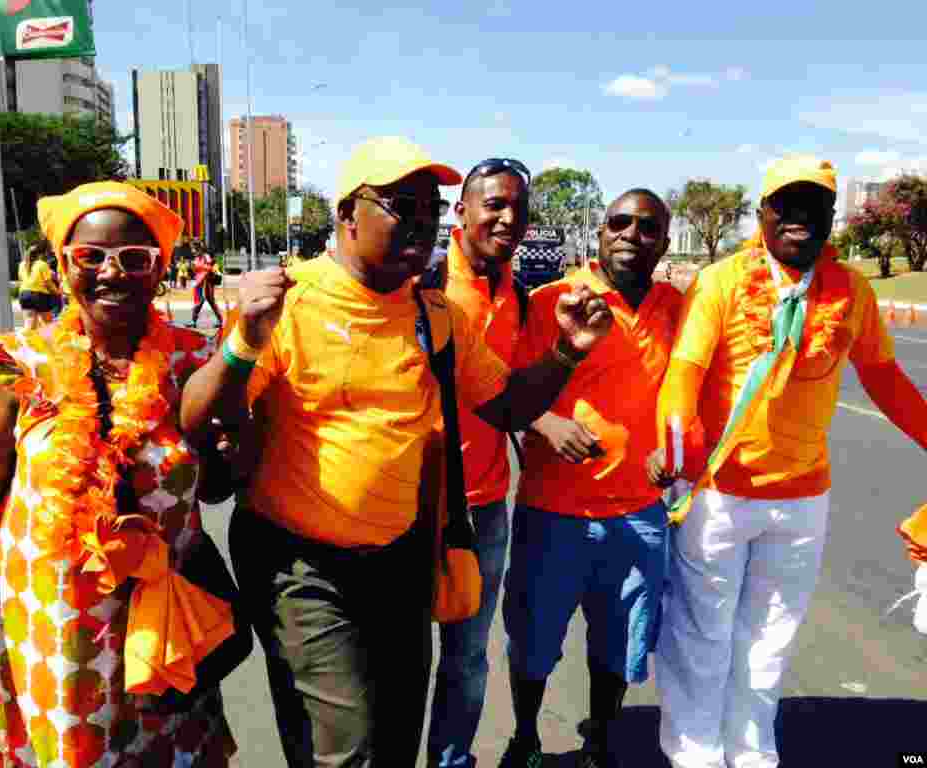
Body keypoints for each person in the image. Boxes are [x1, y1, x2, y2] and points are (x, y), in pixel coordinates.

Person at [180, 135, 615, 768]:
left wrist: (568, 350)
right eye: (399, 205)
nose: (420, 221)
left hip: (402, 563)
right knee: (345, 747)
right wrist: (243, 341)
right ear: (347, 216)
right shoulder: (291, 305)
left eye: (428, 206)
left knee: (394, 739)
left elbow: (509, 407)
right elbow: (198, 416)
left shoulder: (434, 315)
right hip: (302, 569)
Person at [0, 181, 238, 767]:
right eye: (90, 257)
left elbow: (216, 487)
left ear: (159, 269)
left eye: (134, 259)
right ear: (63, 266)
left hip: (162, 646)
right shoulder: (17, 367)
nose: (111, 273)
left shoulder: (194, 362)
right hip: (50, 651)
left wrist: (227, 443)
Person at [650, 156, 927, 768]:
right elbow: (685, 371)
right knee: (705, 634)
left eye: (814, 205)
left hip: (803, 499)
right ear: (763, 213)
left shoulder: (851, 291)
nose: (799, 217)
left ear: (831, 216)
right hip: (721, 494)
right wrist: (678, 434)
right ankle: (694, 752)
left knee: (769, 641)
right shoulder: (721, 282)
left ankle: (751, 753)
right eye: (786, 204)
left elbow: (884, 376)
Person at [499, 190, 681, 768]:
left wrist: (679, 450)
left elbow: (697, 390)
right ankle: (525, 739)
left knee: (619, 644)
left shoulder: (676, 307)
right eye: (619, 223)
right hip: (553, 512)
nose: (631, 234)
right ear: (600, 233)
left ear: (664, 242)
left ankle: (599, 744)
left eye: (647, 227)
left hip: (639, 516)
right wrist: (547, 422)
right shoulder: (555, 299)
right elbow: (506, 391)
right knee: (532, 644)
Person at [425, 157, 532, 768]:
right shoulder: (426, 281)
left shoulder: (519, 294)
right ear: (461, 211)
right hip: (413, 508)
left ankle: (452, 761)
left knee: (467, 655)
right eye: (493, 203)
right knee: (401, 658)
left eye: (517, 206)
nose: (506, 217)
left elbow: (513, 394)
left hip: (486, 508)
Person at [17, 241, 61, 329]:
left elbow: (21, 279)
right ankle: (49, 342)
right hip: (39, 295)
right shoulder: (42, 265)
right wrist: (57, 292)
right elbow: (48, 284)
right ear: (40, 254)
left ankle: (27, 341)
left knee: (29, 321)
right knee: (48, 323)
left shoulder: (22, 265)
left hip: (24, 294)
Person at [190, 241, 223, 328]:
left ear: (199, 249)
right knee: (200, 302)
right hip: (200, 282)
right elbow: (196, 269)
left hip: (206, 282)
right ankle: (193, 321)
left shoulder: (206, 256)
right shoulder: (197, 258)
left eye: (194, 249)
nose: (192, 251)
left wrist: (199, 267)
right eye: (192, 249)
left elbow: (209, 267)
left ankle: (220, 320)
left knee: (204, 301)